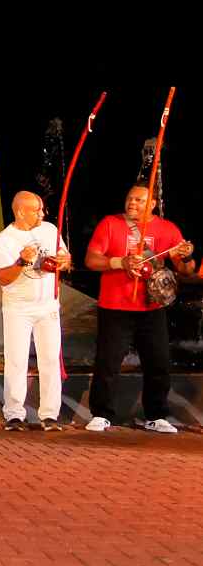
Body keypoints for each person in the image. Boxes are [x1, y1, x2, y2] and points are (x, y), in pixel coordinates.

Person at [82, 182, 194, 433]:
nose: (132, 203)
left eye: (139, 200)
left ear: (152, 204)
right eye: (130, 199)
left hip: (151, 306)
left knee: (158, 362)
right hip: (115, 305)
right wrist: (119, 262)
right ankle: (101, 413)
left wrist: (185, 255)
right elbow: (91, 259)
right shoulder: (110, 224)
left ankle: (156, 415)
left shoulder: (167, 229)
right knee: (108, 362)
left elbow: (186, 270)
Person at [0, 191, 72, 431]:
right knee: (16, 360)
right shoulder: (4, 240)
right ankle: (14, 414)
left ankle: (50, 415)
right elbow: (3, 278)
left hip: (48, 306)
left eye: (42, 209)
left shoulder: (48, 230)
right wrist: (22, 262)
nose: (42, 213)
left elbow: (66, 259)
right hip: (19, 308)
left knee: (50, 359)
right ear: (20, 212)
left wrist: (63, 262)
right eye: (37, 210)